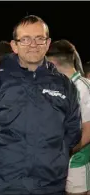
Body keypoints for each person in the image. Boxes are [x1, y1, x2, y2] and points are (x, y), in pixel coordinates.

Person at [0, 15, 82, 194]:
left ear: (48, 43)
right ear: (14, 45)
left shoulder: (65, 86)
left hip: (50, 186)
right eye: (25, 39)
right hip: (2, 186)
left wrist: (52, 159)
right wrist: (3, 159)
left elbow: (72, 134)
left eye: (39, 38)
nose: (33, 44)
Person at [46, 39, 90, 195]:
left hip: (77, 162)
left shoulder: (83, 88)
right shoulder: (60, 86)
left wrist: (65, 153)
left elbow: (88, 130)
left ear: (53, 64)